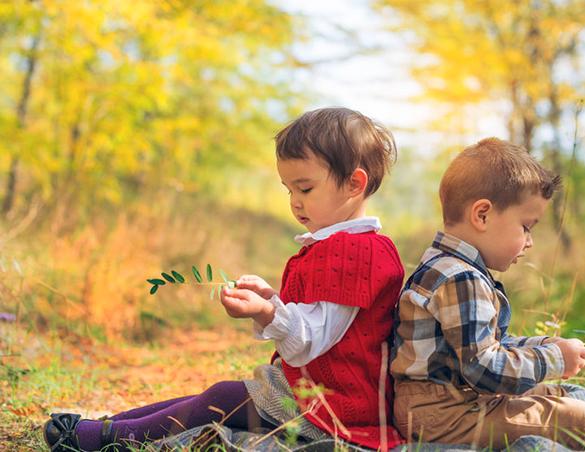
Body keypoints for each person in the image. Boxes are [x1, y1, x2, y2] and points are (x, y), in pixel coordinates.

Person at [43, 107, 406, 451]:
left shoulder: (358, 252)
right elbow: (319, 317)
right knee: (215, 397)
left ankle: (105, 437)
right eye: (288, 190)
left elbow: (311, 340)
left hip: (338, 408)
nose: (294, 202)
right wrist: (272, 300)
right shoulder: (340, 246)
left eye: (305, 188)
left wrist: (267, 313)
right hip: (316, 389)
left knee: (220, 400)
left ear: (354, 184)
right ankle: (108, 426)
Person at [389, 137, 585, 451]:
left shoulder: (450, 268)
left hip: (456, 402)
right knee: (569, 417)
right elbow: (484, 369)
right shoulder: (460, 278)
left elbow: (488, 346)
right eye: (526, 226)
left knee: (570, 396)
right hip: (444, 415)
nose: (529, 242)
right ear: (482, 215)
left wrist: (543, 345)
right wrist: (553, 359)